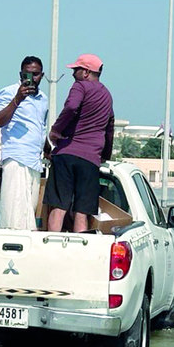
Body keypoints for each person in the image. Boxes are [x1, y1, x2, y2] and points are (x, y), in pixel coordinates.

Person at [44, 53, 115, 232]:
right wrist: (105, 154)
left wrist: (56, 130)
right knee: (82, 211)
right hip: (91, 159)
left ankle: (53, 247)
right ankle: (80, 250)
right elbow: (109, 128)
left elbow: (71, 107)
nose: (73, 73)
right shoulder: (107, 96)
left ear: (86, 72)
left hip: (67, 153)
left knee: (58, 206)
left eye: (76, 70)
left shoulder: (80, 87)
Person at [0, 56, 50, 230]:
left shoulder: (43, 99)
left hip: (34, 161)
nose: (32, 78)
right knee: (15, 213)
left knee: (28, 213)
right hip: (16, 158)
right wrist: (17, 99)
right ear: (21, 74)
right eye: (28, 74)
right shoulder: (9, 92)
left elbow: (40, 128)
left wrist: (48, 149)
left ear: (42, 75)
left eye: (36, 74)